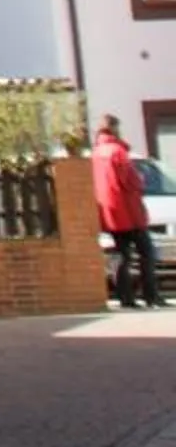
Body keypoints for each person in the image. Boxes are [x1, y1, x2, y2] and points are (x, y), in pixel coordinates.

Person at [93, 114, 158, 307]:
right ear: (114, 128)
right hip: (128, 211)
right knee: (146, 252)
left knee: (121, 255)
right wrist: (141, 181)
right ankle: (151, 295)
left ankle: (125, 297)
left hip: (111, 212)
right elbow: (130, 181)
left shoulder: (97, 152)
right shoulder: (117, 151)